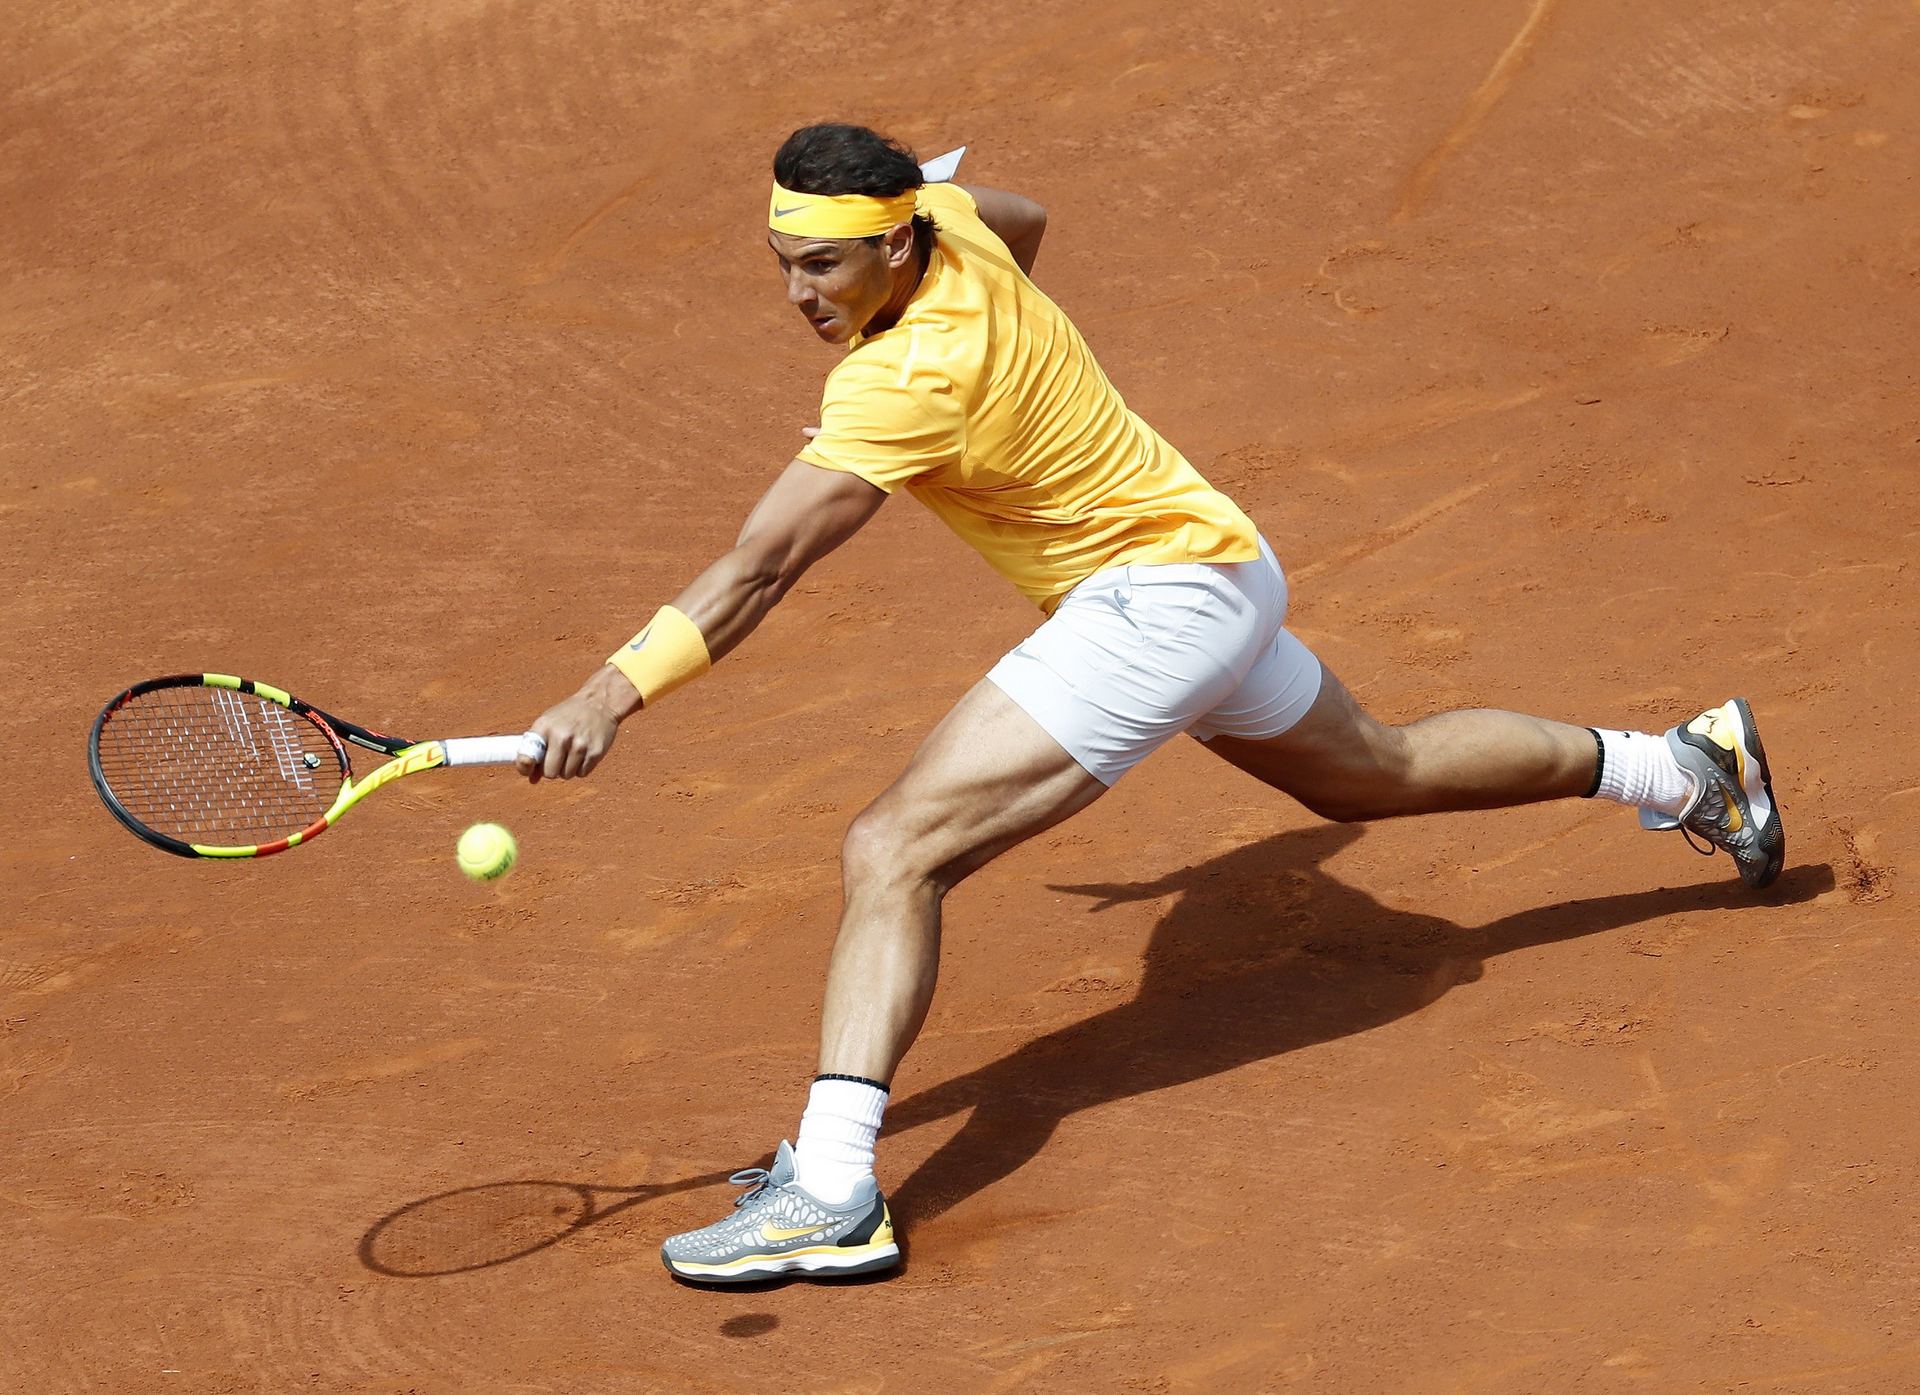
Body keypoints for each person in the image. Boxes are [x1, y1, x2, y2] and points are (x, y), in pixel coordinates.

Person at [518, 123, 1784, 1285]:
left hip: (1150, 605)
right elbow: (1023, 216)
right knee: (1368, 776)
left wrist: (606, 695)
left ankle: (836, 1190)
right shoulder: (950, 222)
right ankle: (1682, 767)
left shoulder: (898, 386)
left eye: (828, 269)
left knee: (895, 848)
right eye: (785, 265)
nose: (803, 296)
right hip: (1220, 560)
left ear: (893, 240)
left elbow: (760, 569)